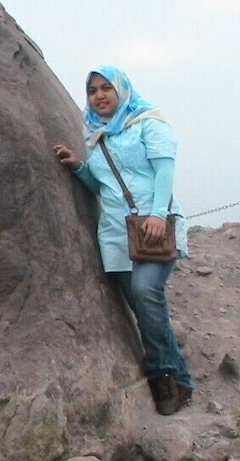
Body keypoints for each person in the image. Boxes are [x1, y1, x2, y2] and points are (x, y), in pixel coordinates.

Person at [53, 65, 193, 416]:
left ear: (122, 90)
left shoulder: (148, 122)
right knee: (143, 308)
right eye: (93, 91)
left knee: (147, 293)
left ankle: (162, 374)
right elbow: (105, 186)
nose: (99, 96)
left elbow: (165, 170)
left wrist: (159, 213)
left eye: (106, 88)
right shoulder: (96, 135)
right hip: (115, 233)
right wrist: (79, 168)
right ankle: (182, 378)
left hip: (152, 227)